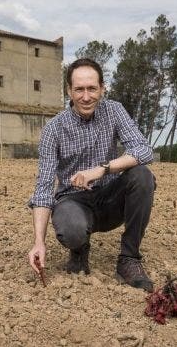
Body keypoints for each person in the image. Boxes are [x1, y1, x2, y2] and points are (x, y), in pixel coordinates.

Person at [27, 58, 156, 292]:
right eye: (79, 89)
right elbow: (44, 188)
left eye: (92, 89)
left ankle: (129, 259)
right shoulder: (53, 130)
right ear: (69, 91)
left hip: (110, 198)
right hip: (73, 201)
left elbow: (144, 150)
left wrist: (102, 169)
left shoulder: (114, 111)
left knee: (142, 176)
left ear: (102, 88)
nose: (86, 97)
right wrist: (39, 243)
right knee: (71, 228)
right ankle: (79, 249)